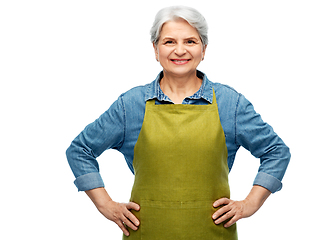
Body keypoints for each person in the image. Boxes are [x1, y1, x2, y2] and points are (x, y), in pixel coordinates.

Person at [66, 5, 291, 240]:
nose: (180, 50)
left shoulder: (229, 104)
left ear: (204, 49)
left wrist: (250, 203)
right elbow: (80, 150)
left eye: (191, 42)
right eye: (169, 42)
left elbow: (276, 151)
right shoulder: (131, 105)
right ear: (155, 49)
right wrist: (105, 205)